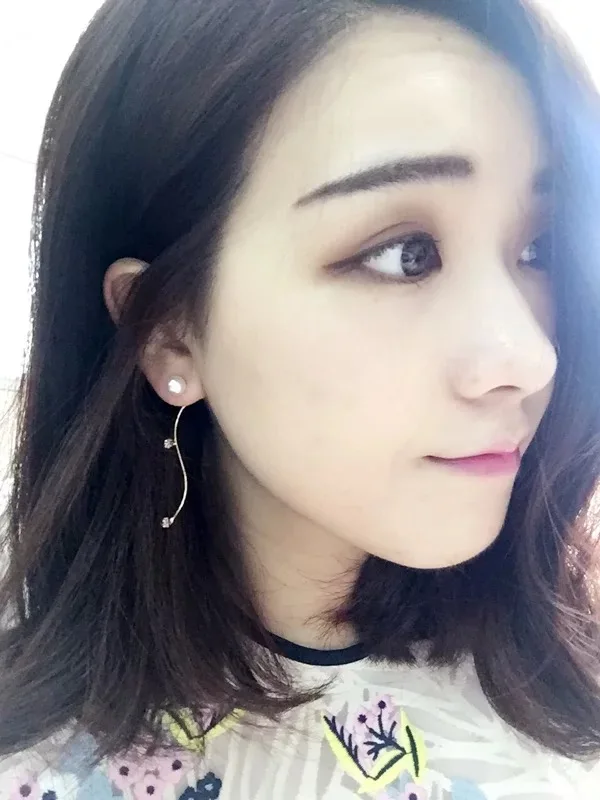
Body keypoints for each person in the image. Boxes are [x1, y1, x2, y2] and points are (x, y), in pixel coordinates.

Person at [0, 0, 600, 796]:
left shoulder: (563, 670)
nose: (529, 355)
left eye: (537, 248)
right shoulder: (40, 764)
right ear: (170, 333)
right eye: (406, 255)